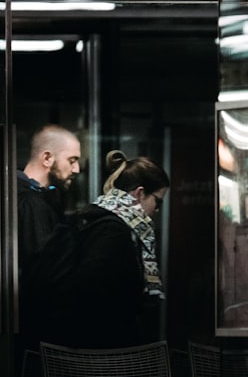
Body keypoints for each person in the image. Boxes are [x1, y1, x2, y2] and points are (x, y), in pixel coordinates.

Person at [61, 149, 170, 349]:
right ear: (139, 193)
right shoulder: (113, 231)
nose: (157, 209)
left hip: (93, 342)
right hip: (103, 348)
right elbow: (92, 290)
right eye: (158, 201)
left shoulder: (100, 220)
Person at [16, 124, 82, 266]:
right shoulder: (31, 203)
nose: (76, 169)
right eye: (72, 161)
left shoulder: (41, 197)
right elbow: (45, 269)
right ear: (47, 158)